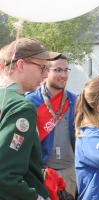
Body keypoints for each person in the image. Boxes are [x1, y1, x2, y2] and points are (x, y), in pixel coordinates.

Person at [0, 38, 61, 200]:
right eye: (42, 67)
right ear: (20, 65)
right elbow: (4, 174)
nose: (46, 74)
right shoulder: (21, 106)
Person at [26, 55, 78, 197]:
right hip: (41, 172)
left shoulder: (75, 101)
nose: (63, 75)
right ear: (45, 71)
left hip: (69, 171)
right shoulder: (30, 101)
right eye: (58, 70)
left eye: (66, 70)